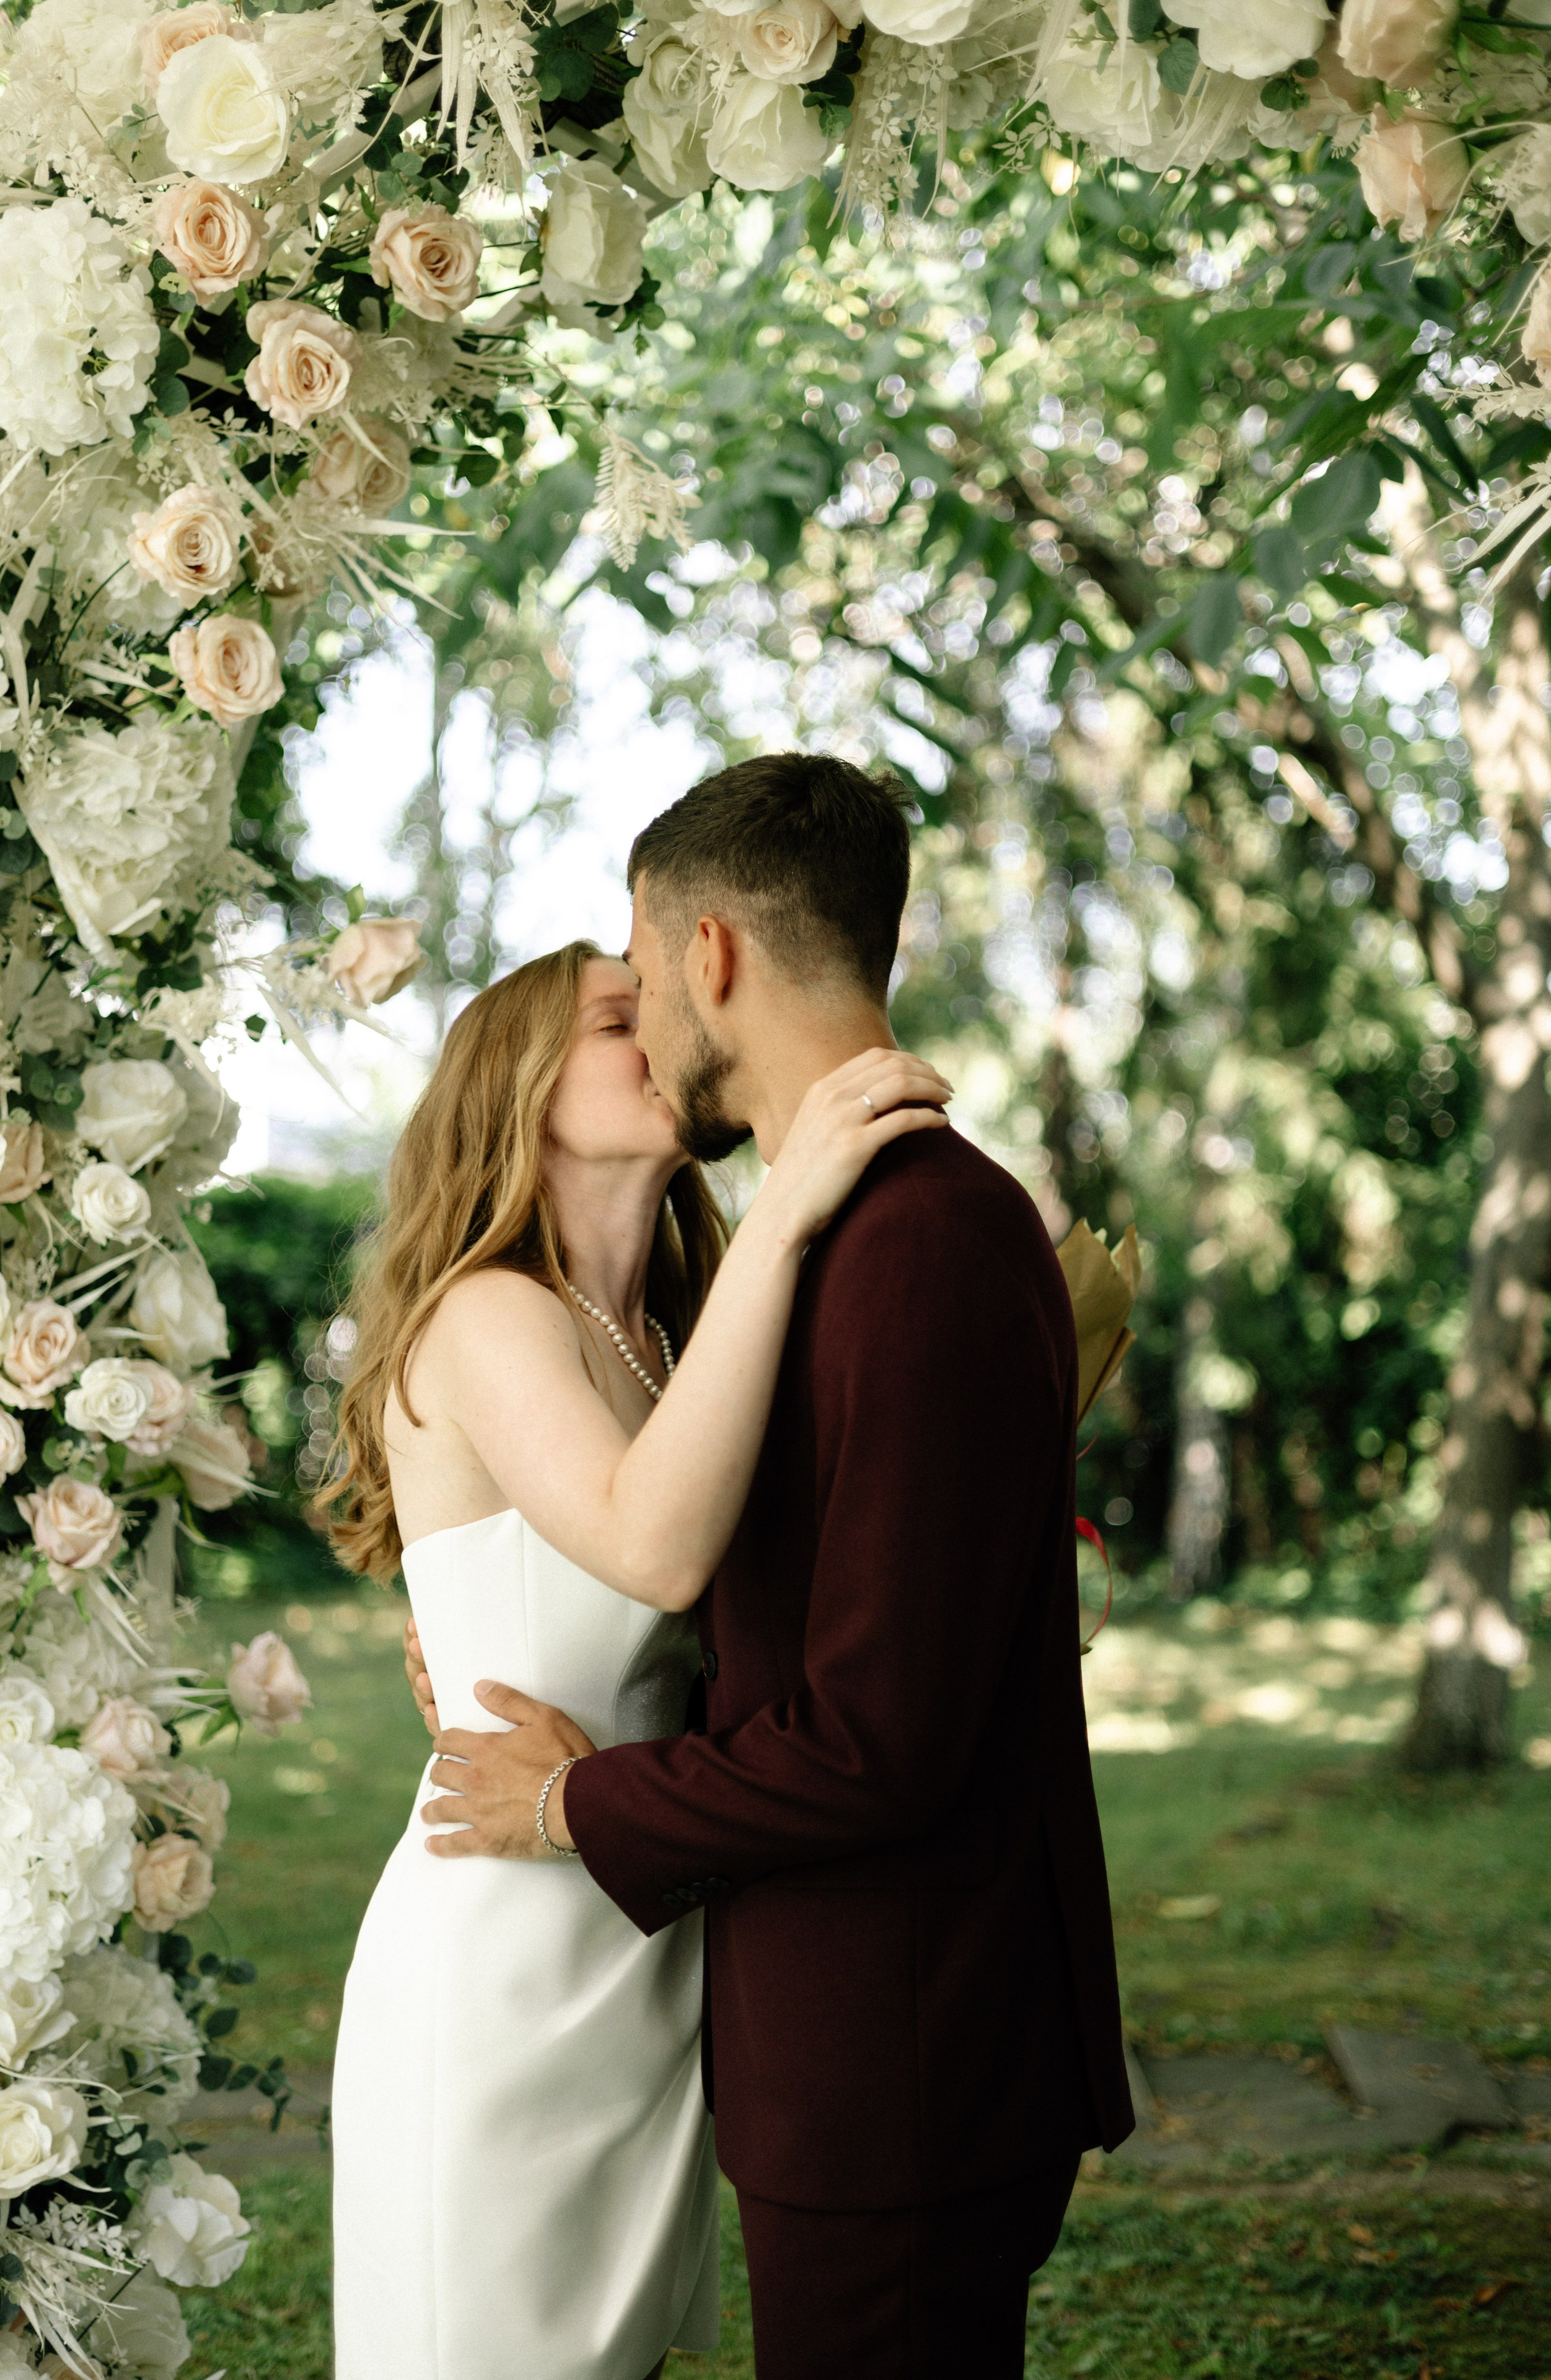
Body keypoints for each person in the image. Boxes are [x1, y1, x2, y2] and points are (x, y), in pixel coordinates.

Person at [410, 753, 1136, 2379]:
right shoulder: (833, 1240)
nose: (647, 1021)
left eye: (640, 971)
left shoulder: (916, 1238)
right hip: (855, 2044)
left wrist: (567, 1803)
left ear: (713, 954)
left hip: (905, 2051)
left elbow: (879, 1738)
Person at [320, 931, 952, 2380]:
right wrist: (793, 1201)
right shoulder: (484, 1314)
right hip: (499, 1954)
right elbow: (655, 1550)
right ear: (525, 1087)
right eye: (620, 1018)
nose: (661, 1032)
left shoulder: (675, 1332)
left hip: (651, 1942)